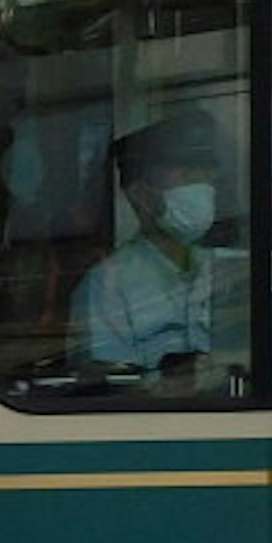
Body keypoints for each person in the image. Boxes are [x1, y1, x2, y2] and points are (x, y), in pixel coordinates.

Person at [70, 107, 245, 390]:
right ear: (140, 193)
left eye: (206, 176)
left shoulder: (232, 268)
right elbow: (106, 391)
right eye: (187, 176)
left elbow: (270, 360)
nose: (201, 188)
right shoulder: (108, 284)